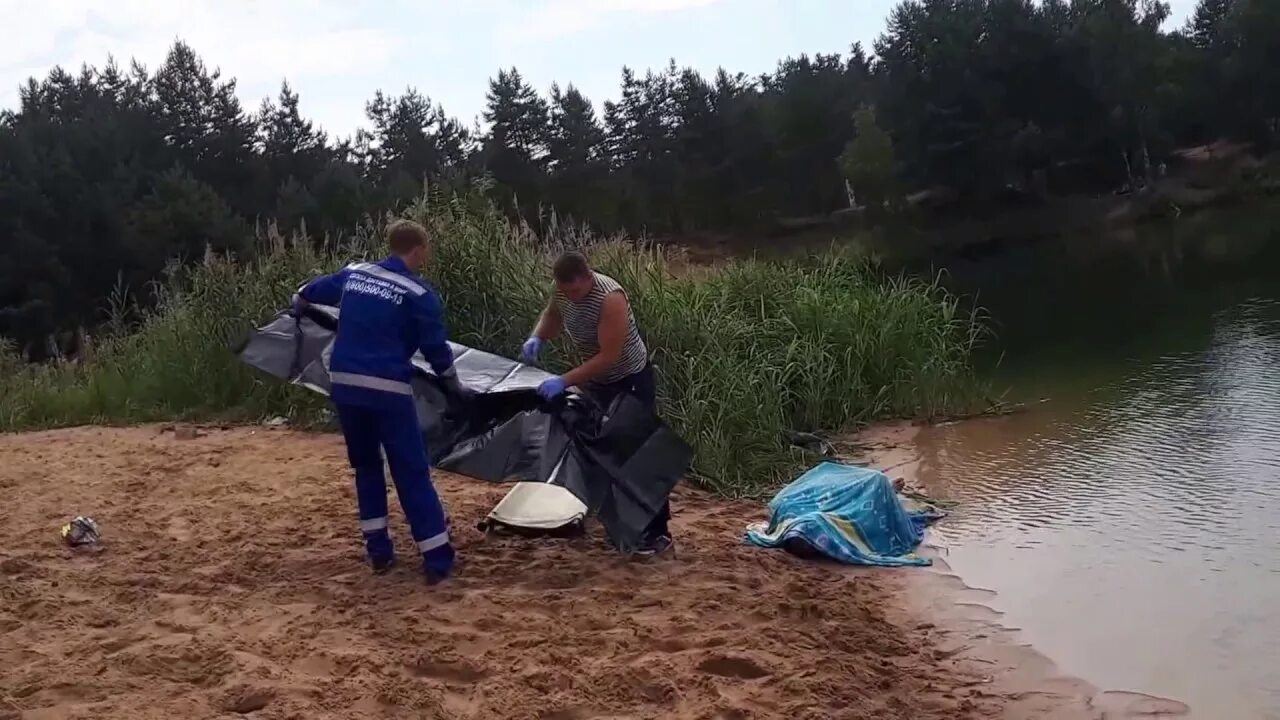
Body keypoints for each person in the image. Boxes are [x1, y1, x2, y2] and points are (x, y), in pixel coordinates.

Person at [293, 219, 466, 583]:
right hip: (387, 389)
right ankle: (437, 558)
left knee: (367, 467)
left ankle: (379, 551)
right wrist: (454, 387)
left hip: (345, 386)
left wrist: (301, 306)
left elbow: (306, 293)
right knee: (410, 471)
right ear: (418, 250)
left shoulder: (355, 274)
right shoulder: (419, 294)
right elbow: (436, 350)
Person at [520, 250, 672, 556]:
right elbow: (552, 314)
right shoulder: (563, 293)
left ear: (588, 277)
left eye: (576, 290)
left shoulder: (609, 298)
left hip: (628, 380)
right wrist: (537, 337)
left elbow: (608, 357)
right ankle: (622, 523)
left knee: (638, 454)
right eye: (566, 291)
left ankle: (658, 534)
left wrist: (564, 381)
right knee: (606, 452)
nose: (571, 297)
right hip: (598, 384)